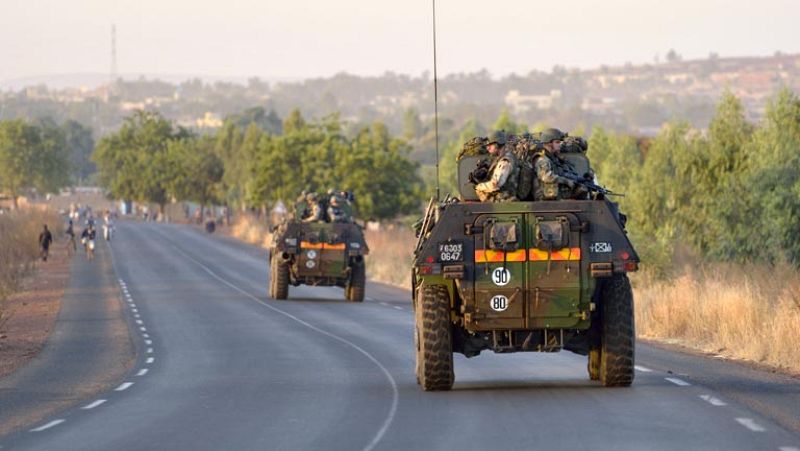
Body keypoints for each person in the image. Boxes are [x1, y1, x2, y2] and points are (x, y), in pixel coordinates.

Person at [532, 128, 581, 200]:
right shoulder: (542, 159)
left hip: (552, 194)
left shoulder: (554, 158)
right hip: (543, 198)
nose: (560, 145)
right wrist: (565, 181)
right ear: (549, 143)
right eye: (557, 142)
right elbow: (546, 177)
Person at [474, 130, 520, 202]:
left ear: (497, 144)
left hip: (505, 201)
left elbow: (495, 184)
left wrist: (479, 187)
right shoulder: (499, 158)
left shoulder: (505, 161)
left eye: (490, 145)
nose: (488, 148)